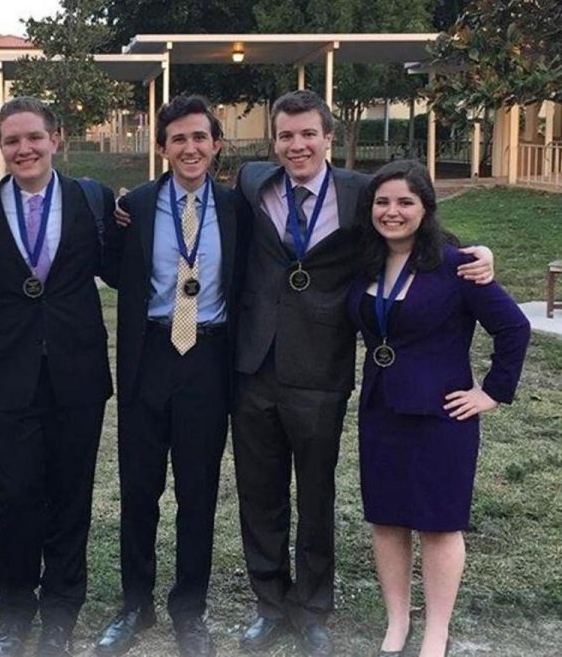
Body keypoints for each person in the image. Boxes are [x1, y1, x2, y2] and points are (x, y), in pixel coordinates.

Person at [232, 90, 495, 657]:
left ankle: (314, 605)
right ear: (272, 142)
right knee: (259, 493)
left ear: (329, 137)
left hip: (322, 365)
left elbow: (413, 225)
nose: (297, 145)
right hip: (254, 363)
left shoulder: (359, 194)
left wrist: (475, 253)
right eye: (286, 136)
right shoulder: (253, 183)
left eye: (308, 134)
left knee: (317, 492)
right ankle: (269, 602)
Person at [347, 160, 529, 657]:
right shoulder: (365, 262)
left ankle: (436, 631)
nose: (392, 212)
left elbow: (514, 328)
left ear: (426, 209)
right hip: (381, 410)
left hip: (441, 417)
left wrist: (491, 392)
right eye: (382, 202)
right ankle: (397, 621)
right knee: (386, 520)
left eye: (405, 202)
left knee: (438, 523)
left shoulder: (456, 263)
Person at [0, 96, 114, 657]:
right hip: (9, 376)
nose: (23, 149)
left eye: (33, 137)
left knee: (72, 496)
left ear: (56, 139)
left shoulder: (90, 199)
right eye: (11, 141)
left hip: (77, 374)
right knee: (16, 495)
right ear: (1, 148)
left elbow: (123, 265)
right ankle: (14, 613)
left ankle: (61, 613)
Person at [95, 96, 248, 657]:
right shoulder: (133, 205)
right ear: (162, 148)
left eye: (199, 138)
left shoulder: (238, 209)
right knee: (139, 491)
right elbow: (111, 268)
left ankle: (190, 609)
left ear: (216, 145)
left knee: (198, 492)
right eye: (178, 139)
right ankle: (135, 605)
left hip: (208, 359)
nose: (189, 148)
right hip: (148, 356)